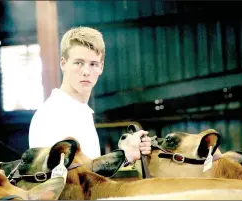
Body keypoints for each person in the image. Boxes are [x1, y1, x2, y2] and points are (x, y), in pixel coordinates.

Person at [29, 26, 151, 163]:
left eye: (93, 64)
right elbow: (69, 180)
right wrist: (124, 155)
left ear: (101, 67)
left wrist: (128, 152)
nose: (86, 71)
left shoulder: (80, 111)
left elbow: (91, 179)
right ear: (63, 64)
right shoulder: (52, 115)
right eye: (78, 63)